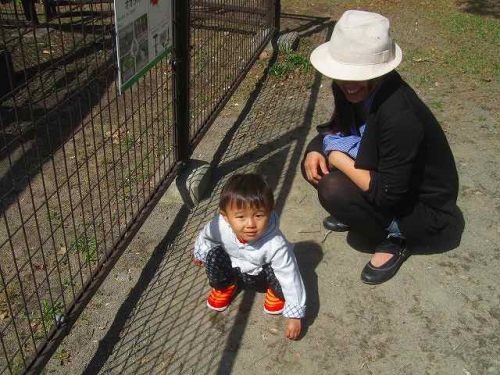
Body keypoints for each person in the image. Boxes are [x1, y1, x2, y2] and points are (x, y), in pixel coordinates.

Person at [303, 10, 464, 285]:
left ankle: (397, 238)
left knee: (333, 189)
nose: (348, 84)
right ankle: (365, 217)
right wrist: (316, 149)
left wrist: (338, 158)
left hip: (424, 209)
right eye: (342, 74)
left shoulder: (399, 115)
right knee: (317, 166)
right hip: (391, 182)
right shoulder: (352, 88)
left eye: (358, 75)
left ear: (379, 71)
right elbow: (337, 127)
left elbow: (386, 193)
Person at [192, 174, 306, 339]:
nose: (250, 224)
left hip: (262, 276)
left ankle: (274, 292)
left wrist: (295, 314)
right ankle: (226, 285)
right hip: (234, 268)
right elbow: (206, 236)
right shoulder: (220, 226)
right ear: (225, 216)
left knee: (280, 275)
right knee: (214, 254)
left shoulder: (275, 243)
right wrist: (200, 252)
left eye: (259, 215)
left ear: (270, 211)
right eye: (240, 217)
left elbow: (290, 276)